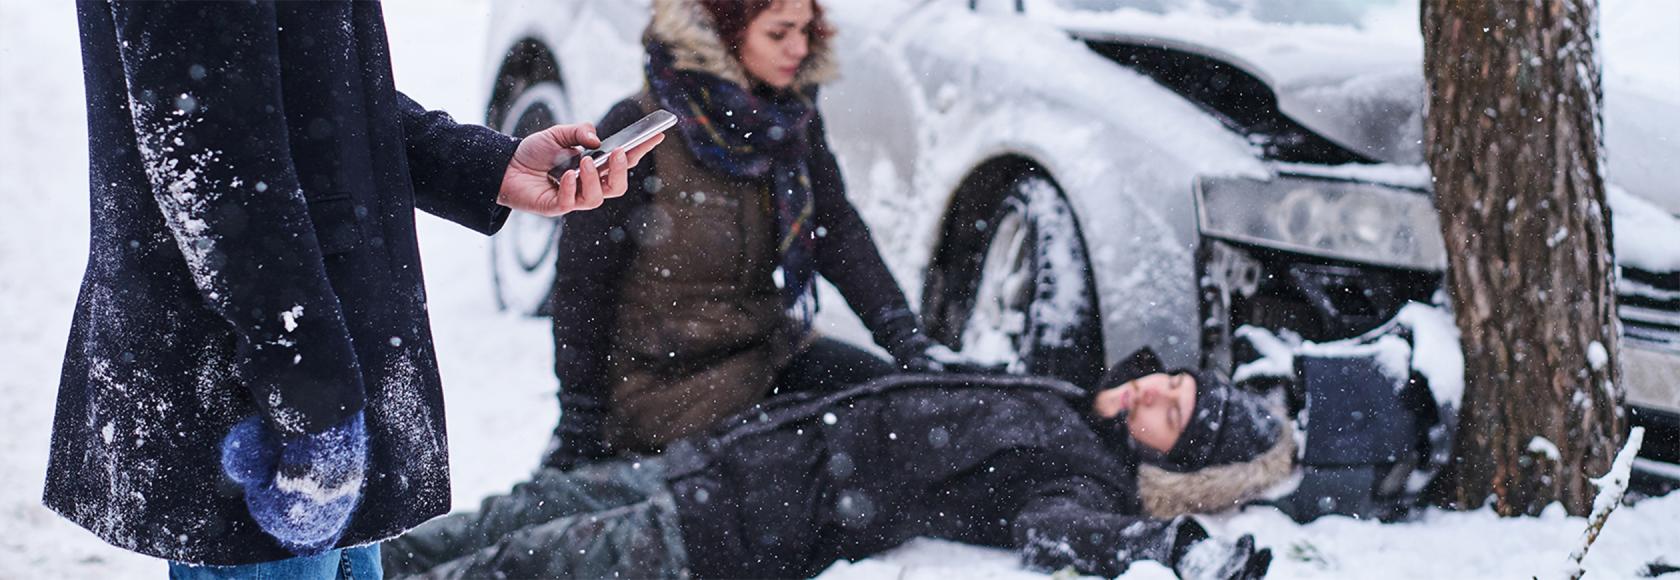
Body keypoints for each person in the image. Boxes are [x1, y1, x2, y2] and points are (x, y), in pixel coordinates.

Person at [47, 1, 659, 576]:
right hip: (257, 400)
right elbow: (212, 160)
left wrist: (482, 165)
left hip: (318, 378)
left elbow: (310, 82)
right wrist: (311, 401)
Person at [381, 356, 1291, 579]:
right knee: (523, 507)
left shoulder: (1082, 476)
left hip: (736, 528)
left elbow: (1057, 529)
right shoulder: (1060, 393)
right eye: (1167, 382)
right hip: (725, 461)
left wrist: (1168, 544)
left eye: (1171, 415)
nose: (1149, 396)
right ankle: (353, 565)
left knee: (523, 565)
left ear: (1176, 465)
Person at [544, 0, 973, 469]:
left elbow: (836, 231)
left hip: (767, 354)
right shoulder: (638, 132)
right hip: (666, 386)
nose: (799, 48)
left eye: (807, 31)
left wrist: (905, 340)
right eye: (779, 33)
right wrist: (580, 420)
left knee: (904, 414)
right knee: (815, 471)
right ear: (723, 30)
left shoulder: (787, 121)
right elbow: (581, 286)